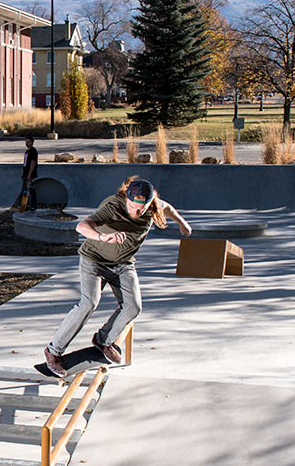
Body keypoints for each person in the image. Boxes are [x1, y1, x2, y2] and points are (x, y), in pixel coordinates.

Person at [40, 176, 191, 377]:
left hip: (123, 265)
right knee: (89, 303)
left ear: (149, 203)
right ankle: (53, 351)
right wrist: (102, 237)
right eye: (132, 206)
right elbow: (82, 226)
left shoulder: (154, 205)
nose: (135, 212)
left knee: (133, 307)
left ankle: (103, 340)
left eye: (141, 209)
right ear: (126, 198)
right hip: (94, 261)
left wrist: (183, 224)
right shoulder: (113, 205)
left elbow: (168, 209)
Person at [22, 137, 39, 211]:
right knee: (26, 189)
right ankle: (25, 205)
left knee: (31, 189)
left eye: (28, 142)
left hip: (31, 174)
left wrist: (29, 174)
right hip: (26, 173)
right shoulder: (27, 151)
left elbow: (33, 163)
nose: (26, 143)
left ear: (32, 142)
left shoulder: (33, 151)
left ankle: (33, 206)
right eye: (26, 142)